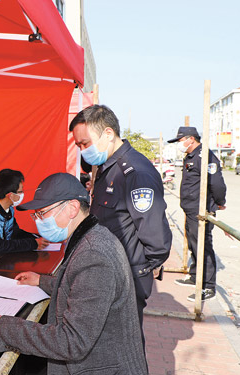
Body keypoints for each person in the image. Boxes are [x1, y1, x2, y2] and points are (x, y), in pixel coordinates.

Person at [0, 173, 148, 374]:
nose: (38, 220)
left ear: (72, 208)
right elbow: (84, 288)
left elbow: (72, 341)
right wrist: (42, 281)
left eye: (42, 213)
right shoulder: (93, 236)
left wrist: (3, 327)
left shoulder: (93, 254)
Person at [70, 104, 172, 338]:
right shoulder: (108, 167)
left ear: (108, 133)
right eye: (78, 146)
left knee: (125, 346)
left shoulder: (135, 172)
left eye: (85, 143)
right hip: (110, 270)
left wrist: (144, 268)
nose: (83, 150)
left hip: (126, 276)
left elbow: (156, 237)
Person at [168, 127, 227, 301]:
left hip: (201, 210)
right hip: (191, 209)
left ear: (191, 139)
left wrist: (219, 202)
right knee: (194, 244)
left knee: (203, 246)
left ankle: (208, 286)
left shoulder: (205, 157)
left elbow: (217, 183)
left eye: (180, 141)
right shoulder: (191, 156)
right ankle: (195, 275)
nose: (179, 145)